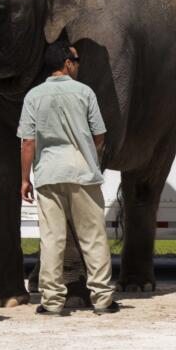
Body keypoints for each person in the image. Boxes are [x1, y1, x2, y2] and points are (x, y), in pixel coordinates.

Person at [18, 41, 118, 316]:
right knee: (93, 237)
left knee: (51, 239)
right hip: (82, 171)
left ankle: (51, 301)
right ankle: (102, 299)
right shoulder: (84, 92)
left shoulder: (33, 96)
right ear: (66, 63)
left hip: (48, 173)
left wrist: (25, 178)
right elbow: (99, 134)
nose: (78, 64)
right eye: (76, 60)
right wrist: (89, 151)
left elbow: (28, 141)